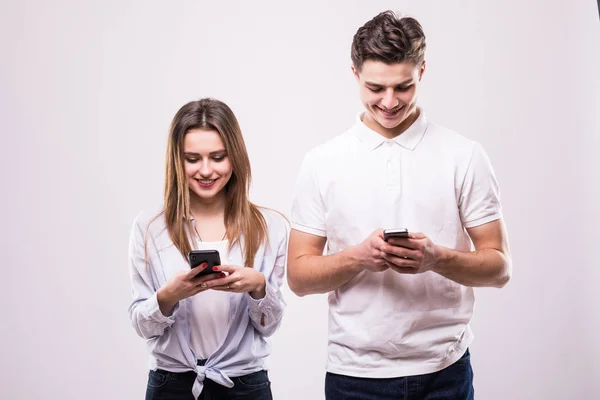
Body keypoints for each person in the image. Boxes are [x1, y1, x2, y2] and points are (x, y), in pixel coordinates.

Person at [288, 10, 512, 400]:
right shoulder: (321, 162)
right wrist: (357, 257)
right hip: (353, 375)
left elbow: (500, 268)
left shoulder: (464, 155)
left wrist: (437, 258)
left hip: (444, 370)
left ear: (421, 72)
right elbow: (298, 277)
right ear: (354, 74)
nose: (389, 102)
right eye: (376, 88)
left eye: (403, 87)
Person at [128, 98, 288, 400]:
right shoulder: (149, 227)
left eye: (217, 157)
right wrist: (168, 296)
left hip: (245, 385)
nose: (205, 170)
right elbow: (142, 325)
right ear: (177, 160)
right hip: (170, 385)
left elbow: (269, 327)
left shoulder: (271, 226)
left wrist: (258, 287)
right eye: (192, 158)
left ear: (235, 158)